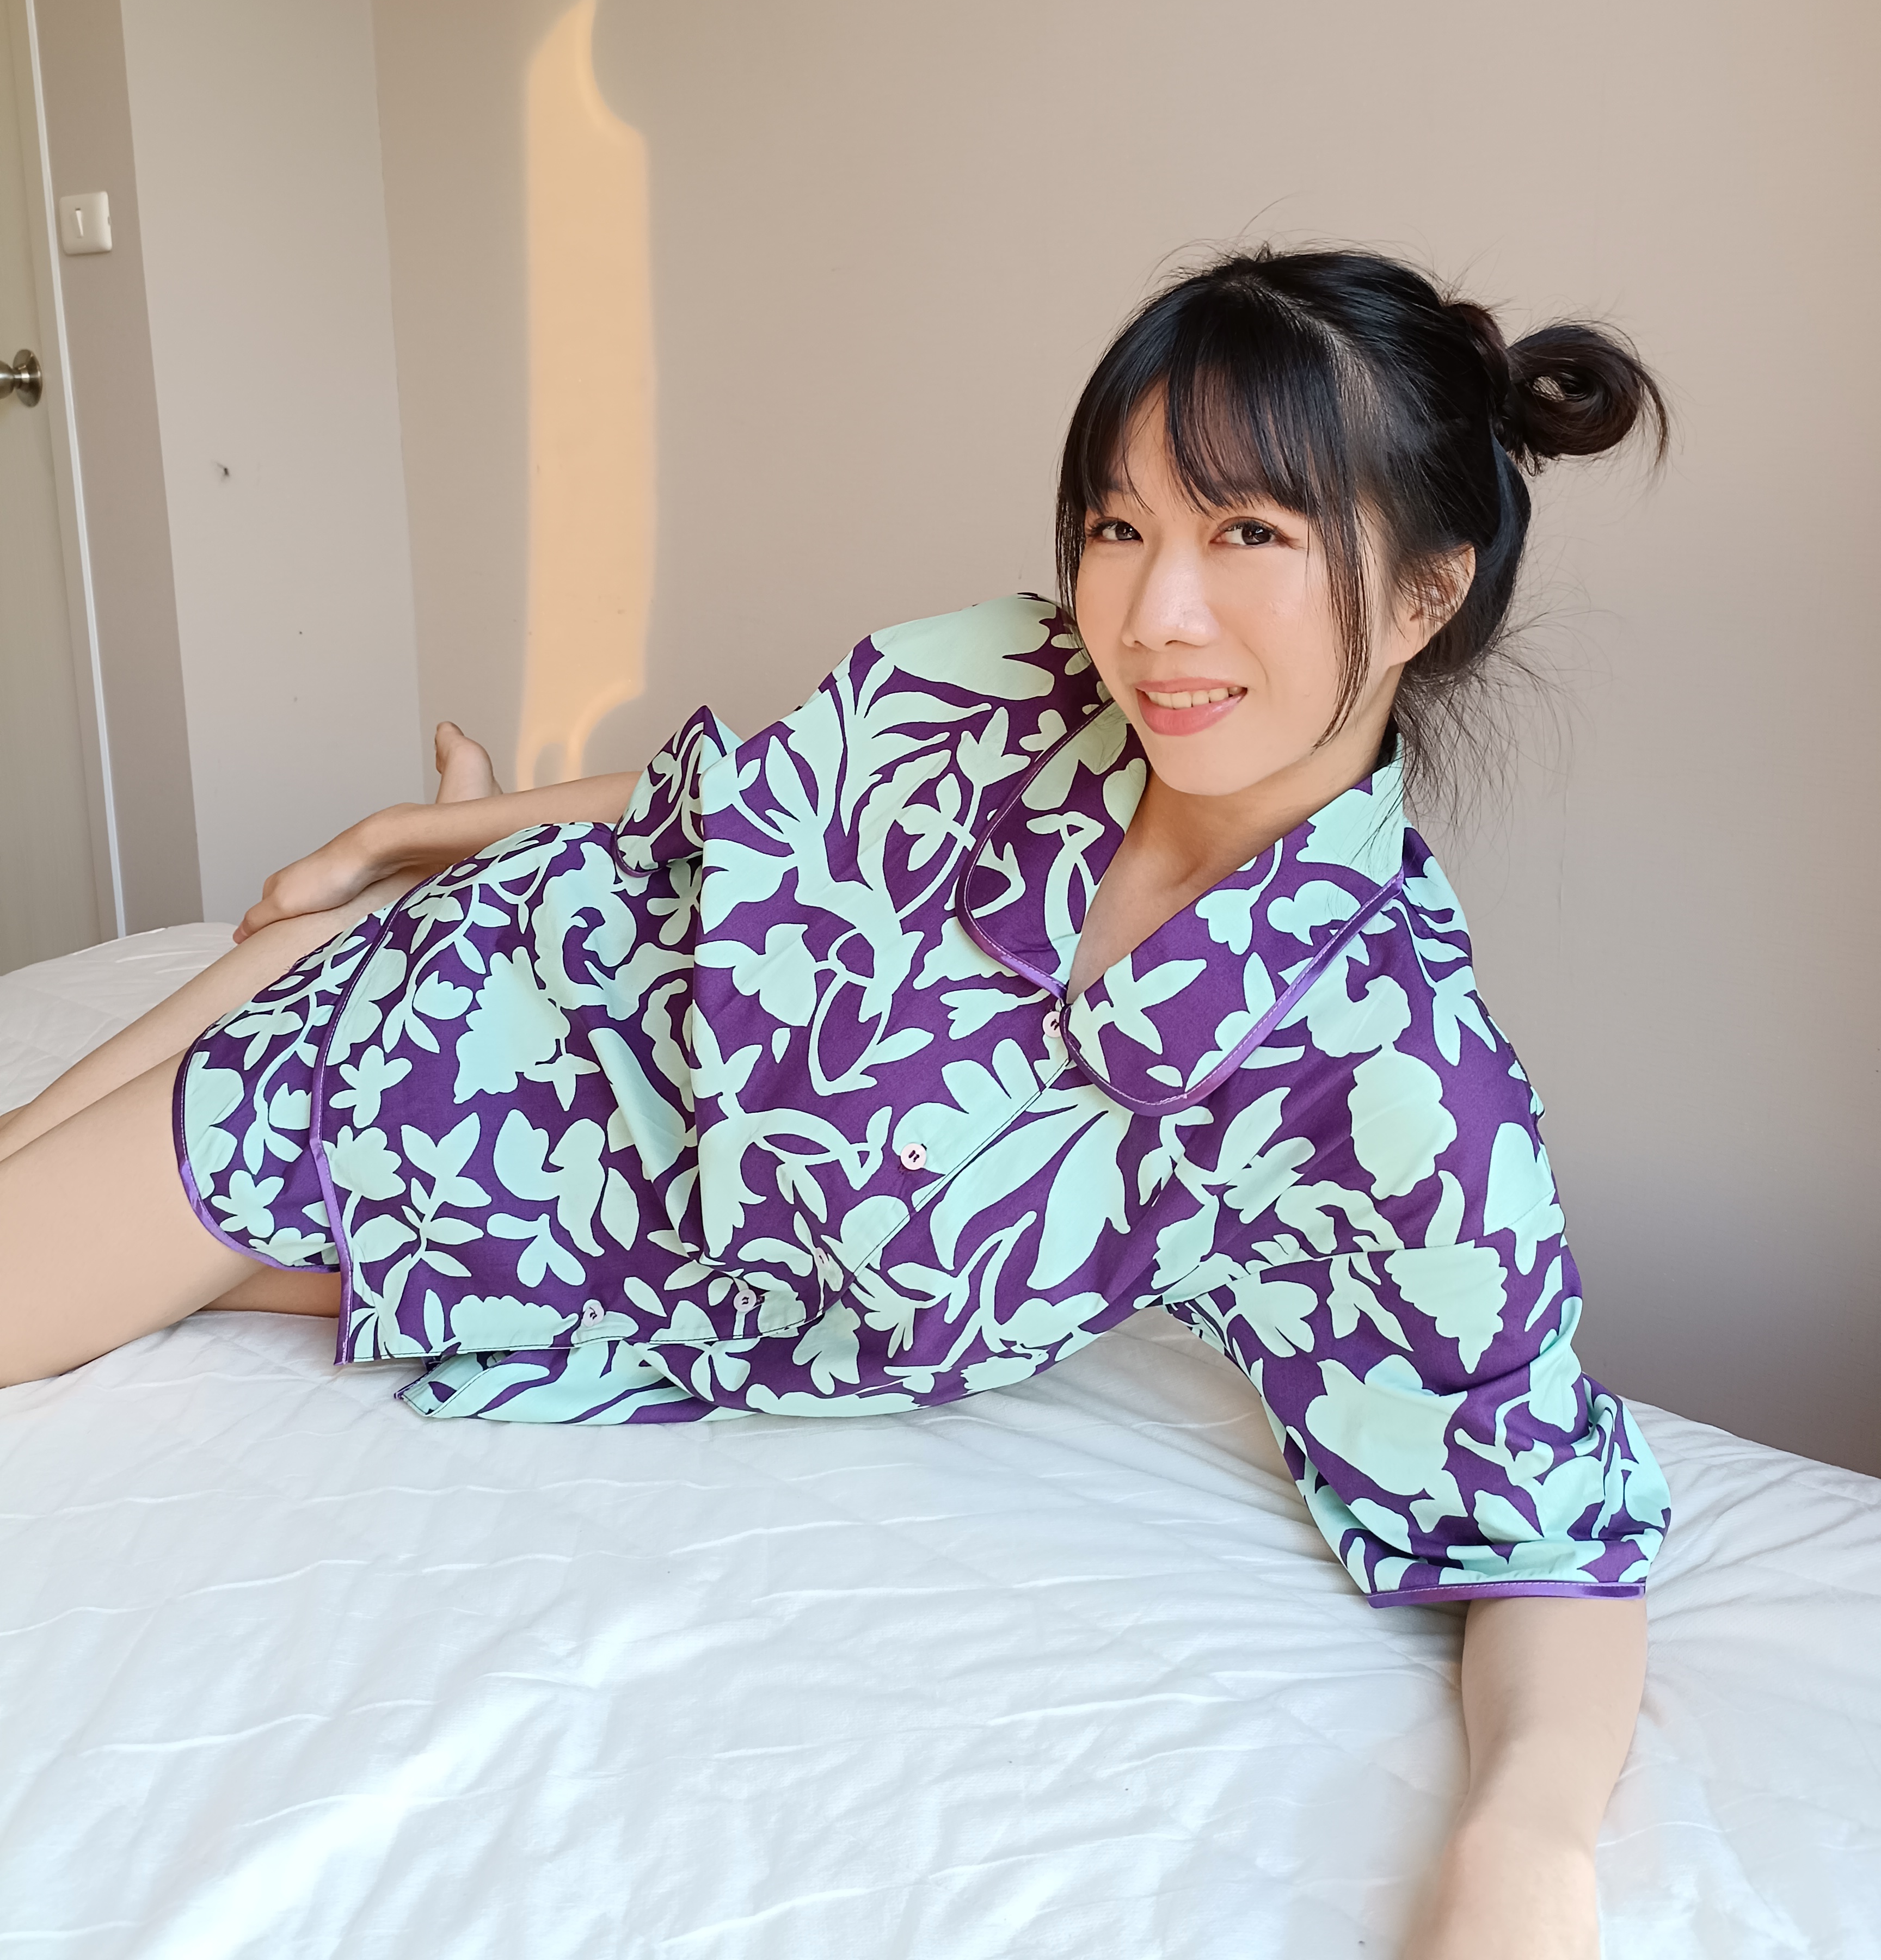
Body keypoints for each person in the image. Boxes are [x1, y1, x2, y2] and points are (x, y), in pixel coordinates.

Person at [0, 248, 1672, 1957]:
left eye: (1249, 534)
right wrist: (409, 835)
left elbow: (1543, 1516)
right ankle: (356, 936)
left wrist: (1526, 1845)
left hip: (596, 1251)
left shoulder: (1386, 1067)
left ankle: (323, 957)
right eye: (1120, 525)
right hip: (494, 1025)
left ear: (1424, 597)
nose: (1155, 615)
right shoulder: (1015, 684)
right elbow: (716, 803)